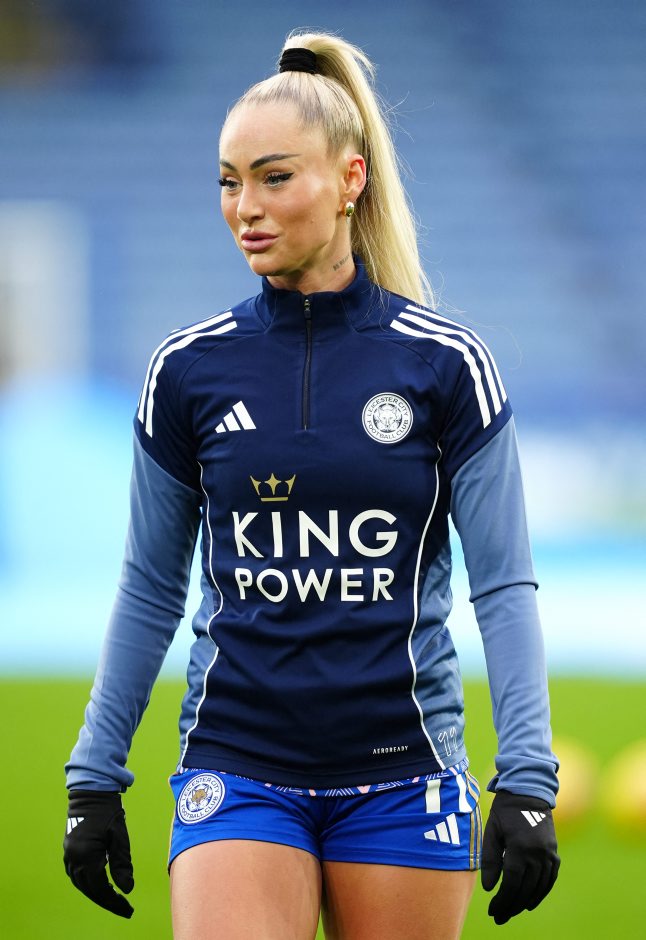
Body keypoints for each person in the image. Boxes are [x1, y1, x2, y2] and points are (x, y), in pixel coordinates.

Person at [63, 29, 560, 940]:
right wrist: (93, 777)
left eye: (274, 177)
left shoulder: (448, 365)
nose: (245, 207)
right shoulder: (187, 370)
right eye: (228, 181)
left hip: (405, 772)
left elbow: (503, 585)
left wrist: (527, 777)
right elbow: (149, 587)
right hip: (238, 764)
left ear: (349, 179)